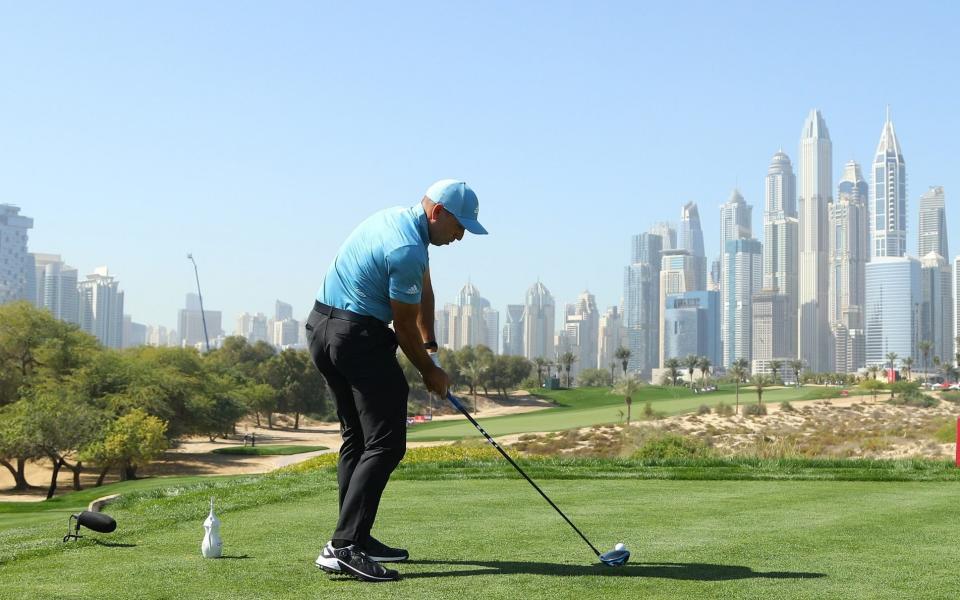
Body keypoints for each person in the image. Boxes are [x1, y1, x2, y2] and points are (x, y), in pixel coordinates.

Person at [307, 179, 487, 582]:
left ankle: (356, 536)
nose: (461, 236)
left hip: (321, 328)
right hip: (356, 337)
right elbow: (402, 327)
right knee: (387, 442)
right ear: (438, 213)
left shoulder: (400, 223)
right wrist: (431, 373)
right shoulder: (407, 248)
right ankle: (343, 547)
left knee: (358, 437)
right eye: (461, 227)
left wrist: (432, 346)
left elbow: (424, 291)